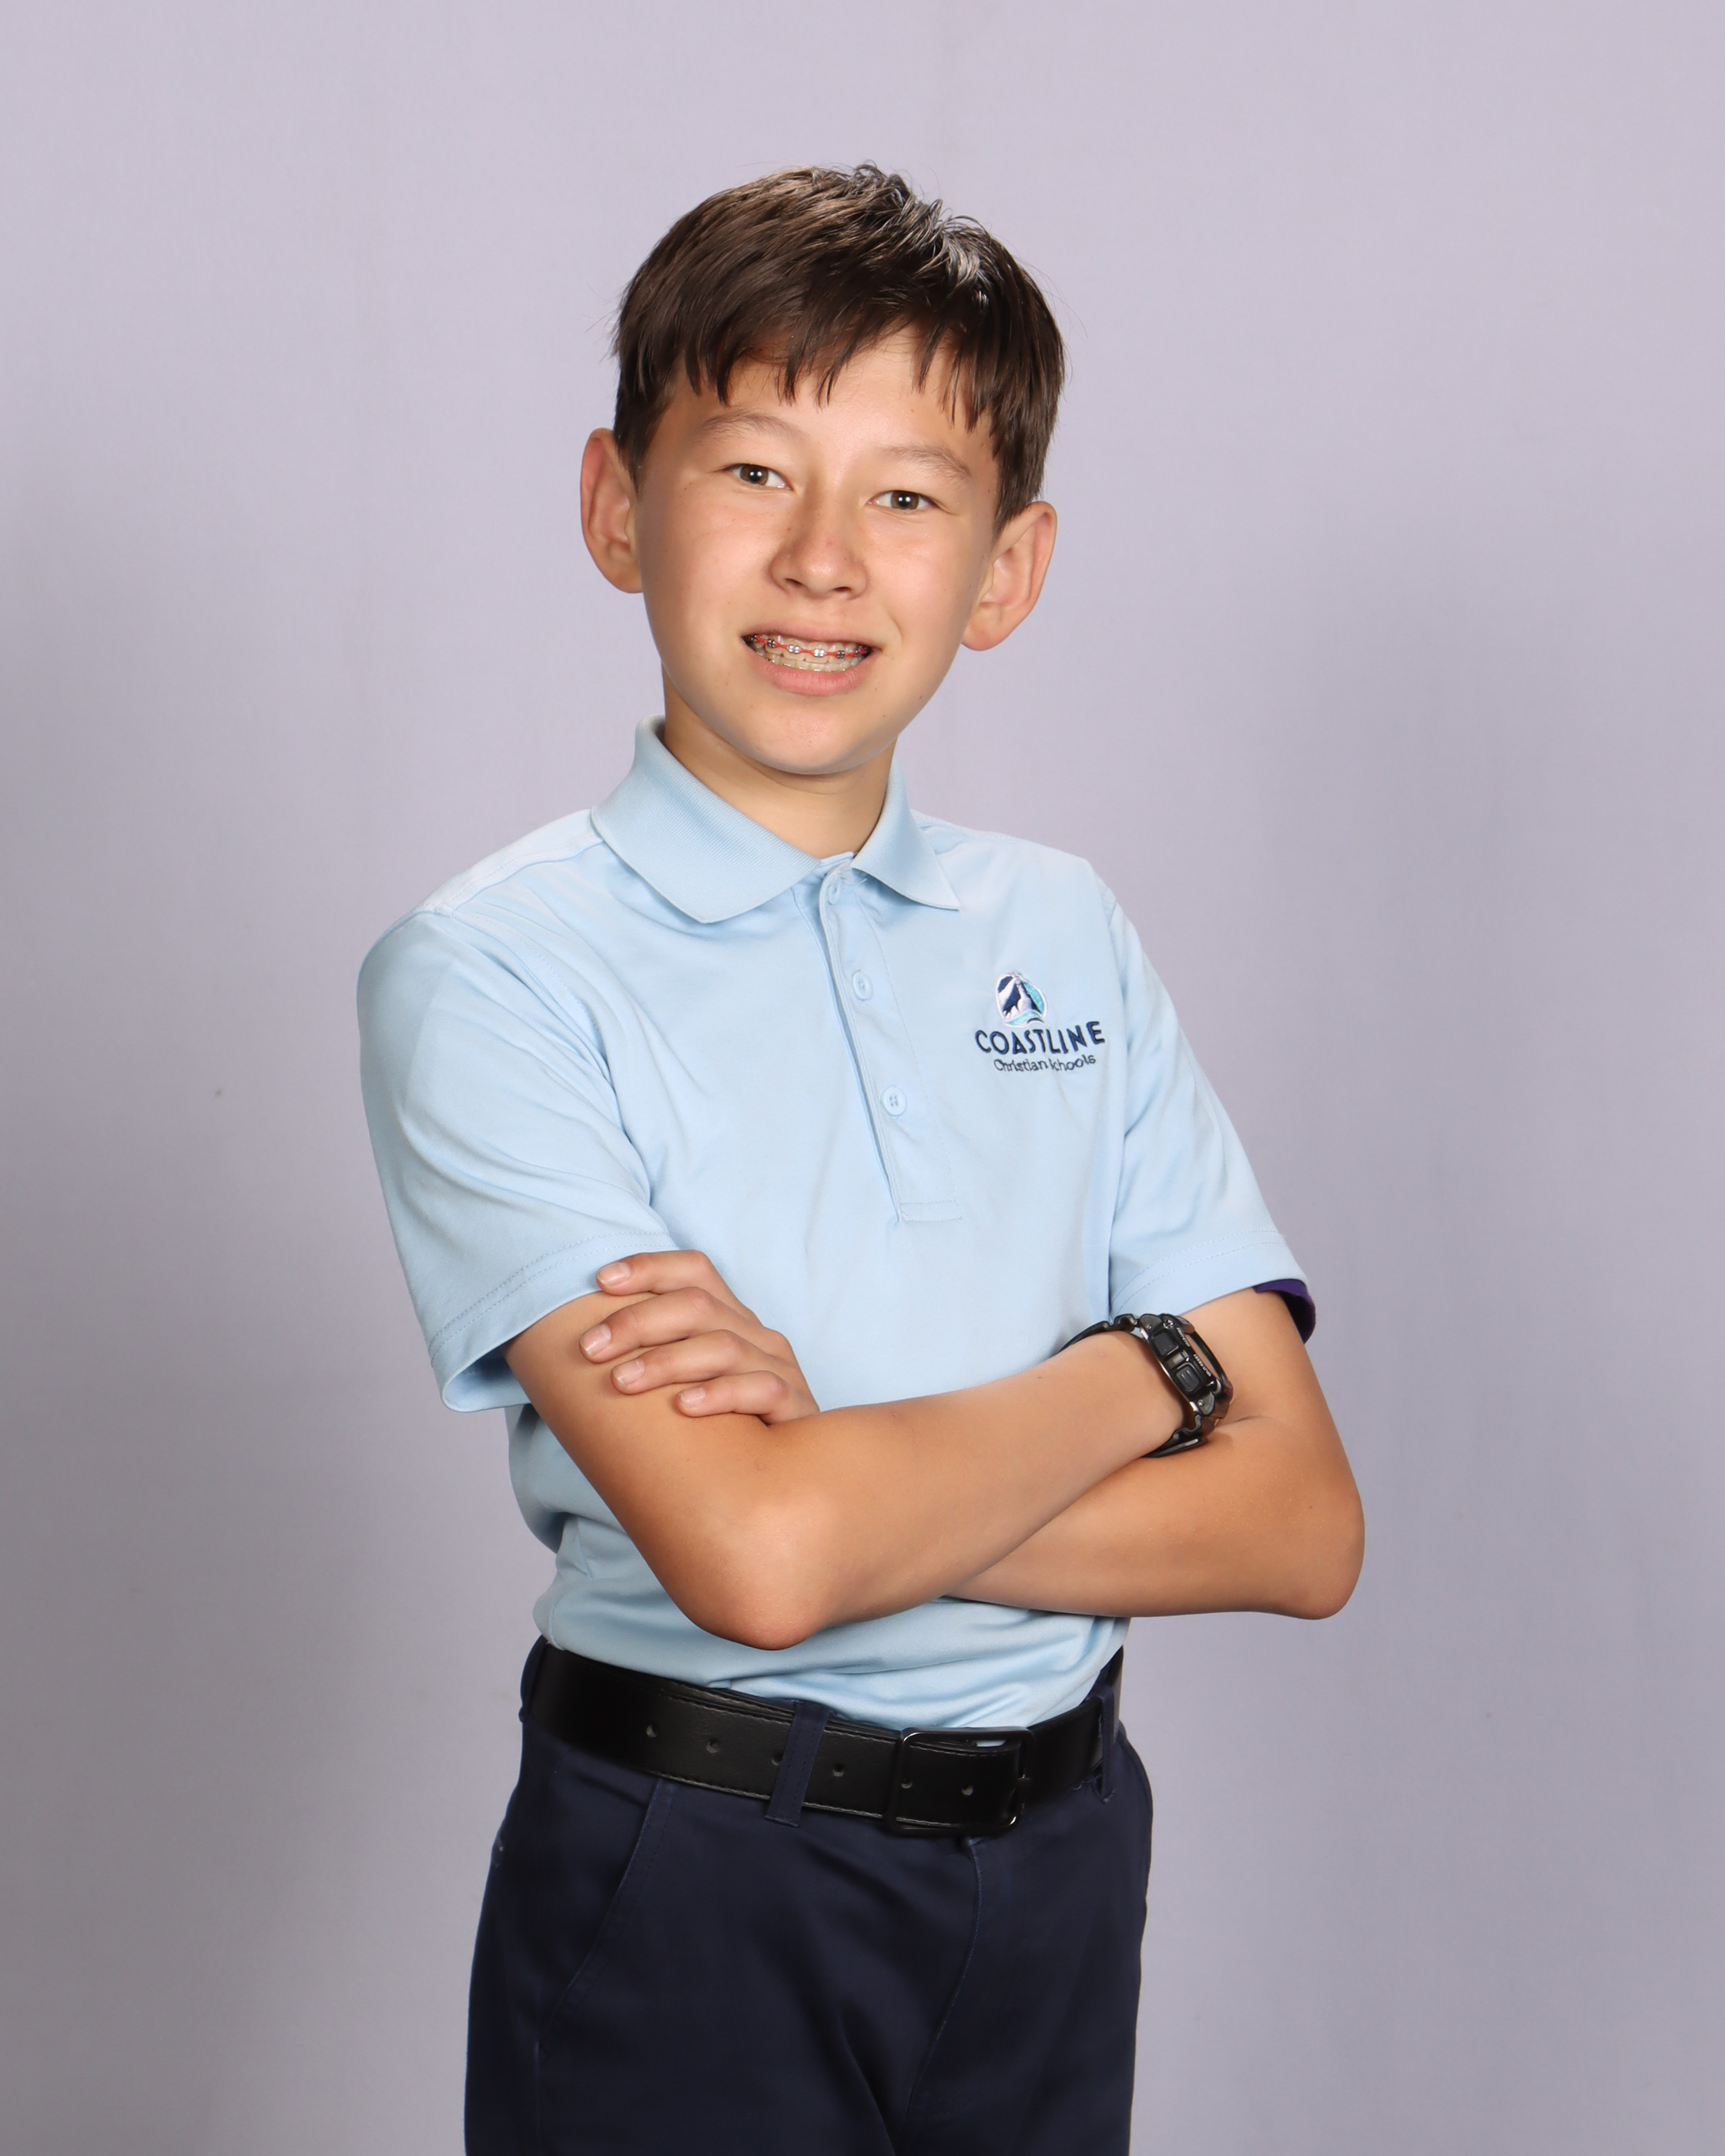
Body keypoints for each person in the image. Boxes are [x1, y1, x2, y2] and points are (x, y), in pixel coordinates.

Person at [358, 164, 1363, 2156]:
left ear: (1005, 570)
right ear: (616, 506)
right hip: (703, 1867)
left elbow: (1300, 1527)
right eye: (754, 471)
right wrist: (1154, 1370)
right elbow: (756, 1565)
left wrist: (836, 1474)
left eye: (908, 497)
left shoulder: (1062, 931)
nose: (825, 560)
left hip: (1061, 1856)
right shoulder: (492, 972)